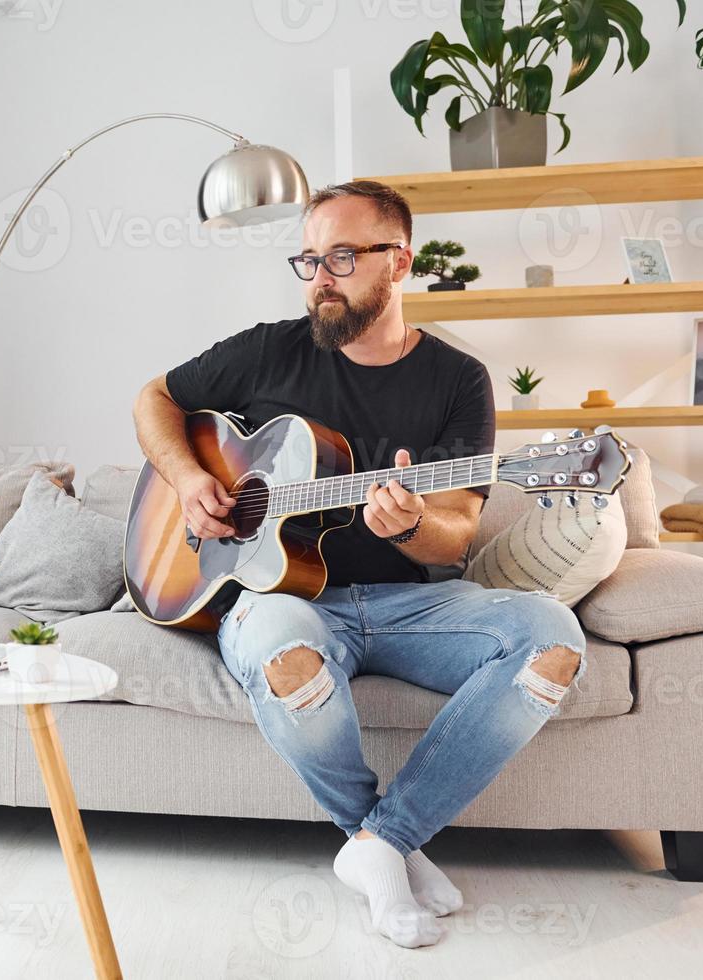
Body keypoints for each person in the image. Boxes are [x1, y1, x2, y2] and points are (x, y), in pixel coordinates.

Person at [130, 180, 587, 949]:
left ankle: (380, 844)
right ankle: (386, 851)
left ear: (398, 260)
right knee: (284, 653)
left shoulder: (456, 380)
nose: (320, 279)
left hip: (410, 606)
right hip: (283, 596)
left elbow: (457, 538)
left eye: (341, 256)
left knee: (553, 639)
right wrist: (186, 478)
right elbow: (154, 399)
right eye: (307, 259)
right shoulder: (268, 349)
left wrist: (410, 526)